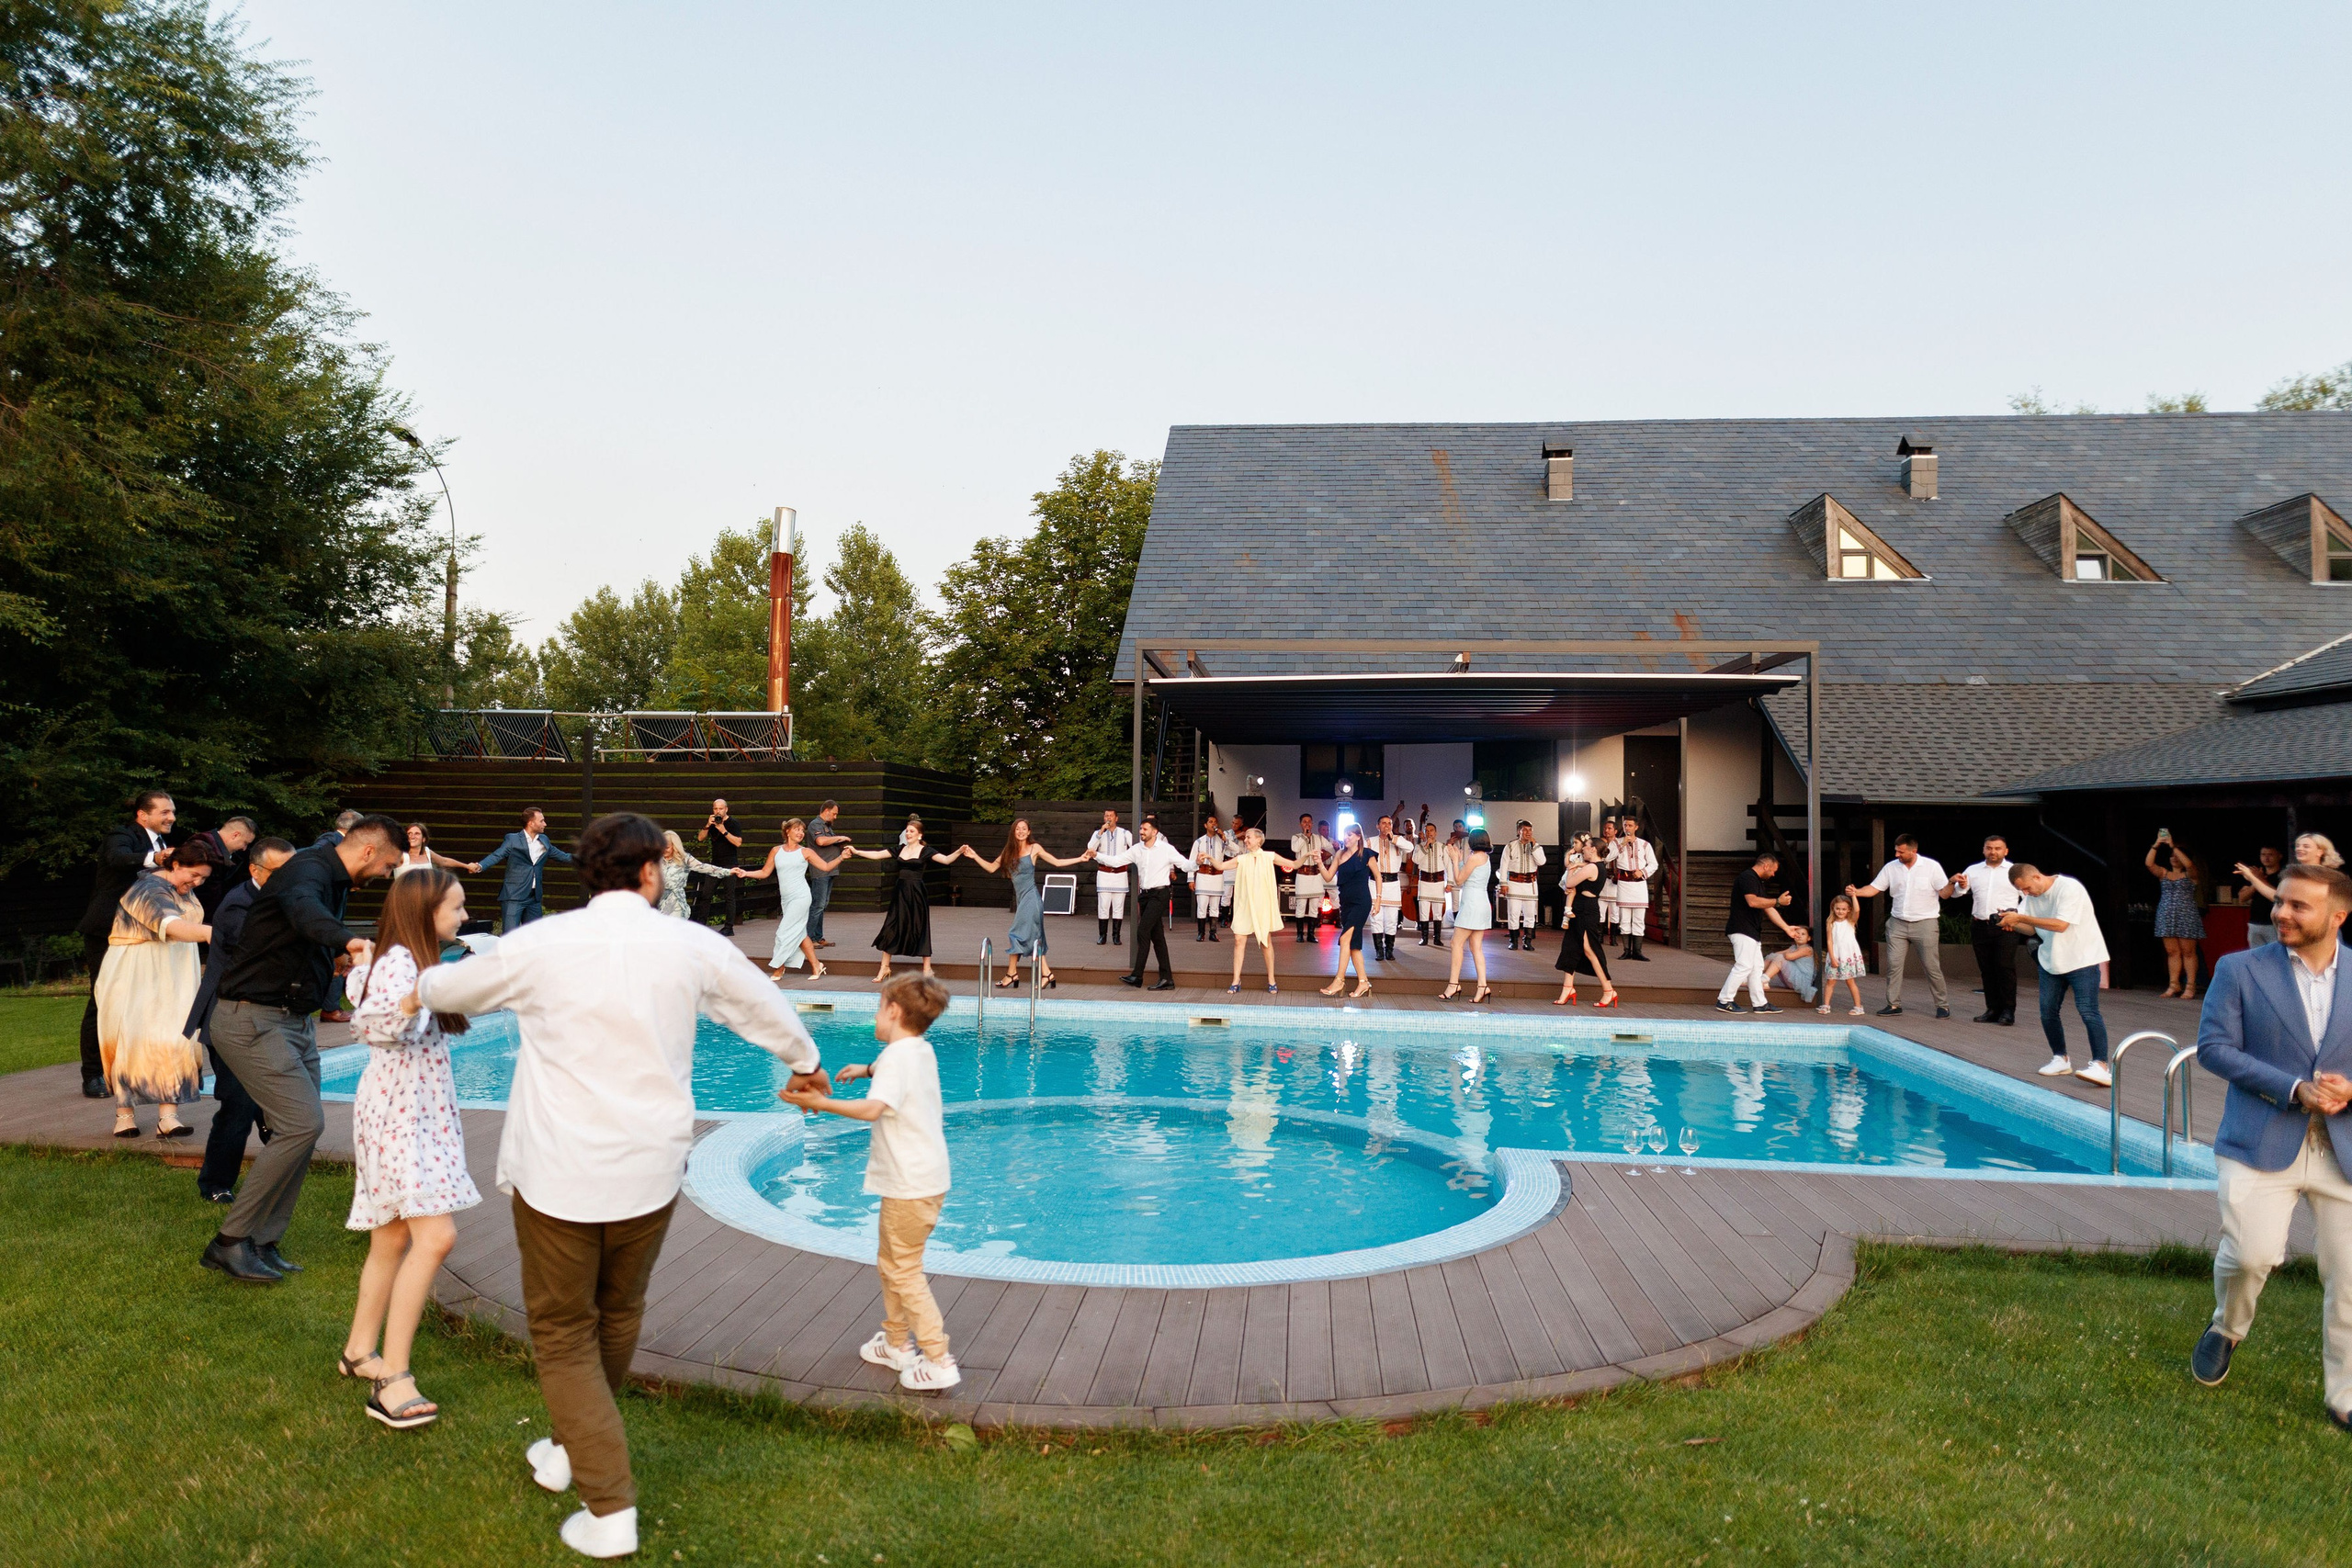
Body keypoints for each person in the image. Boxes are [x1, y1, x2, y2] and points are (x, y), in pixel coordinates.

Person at [412, 812, 828, 1560]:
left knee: (565, 1330)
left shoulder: (540, 943)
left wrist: (408, 975)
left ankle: (609, 1508)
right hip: (650, 1167)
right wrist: (803, 1059)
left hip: (559, 1171)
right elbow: (759, 1005)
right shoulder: (689, 942)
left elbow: (448, 987)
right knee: (617, 1309)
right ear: (648, 872)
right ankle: (575, 1445)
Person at [203, 814, 405, 1284]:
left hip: (292, 1023)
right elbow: (303, 912)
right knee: (302, 1123)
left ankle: (262, 1241)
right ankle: (229, 1243)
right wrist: (350, 941)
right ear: (369, 851)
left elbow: (296, 933)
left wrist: (331, 958)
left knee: (299, 1131)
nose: (385, 876)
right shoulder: (308, 870)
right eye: (388, 865)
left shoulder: (332, 880)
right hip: (251, 1019)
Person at [2188, 862, 2352, 1422]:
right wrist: (2293, 1088)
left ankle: (2344, 1397)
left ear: (2338, 915)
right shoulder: (2239, 969)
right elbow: (2214, 1048)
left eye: (2298, 905)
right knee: (2250, 1256)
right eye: (2280, 901)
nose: (2281, 912)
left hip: (2344, 1149)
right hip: (2260, 1137)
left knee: (2349, 1277)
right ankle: (2227, 1327)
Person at [339, 867, 483, 1430]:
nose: (465, 916)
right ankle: (392, 1379)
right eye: (458, 907)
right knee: (435, 1235)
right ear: (427, 913)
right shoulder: (403, 964)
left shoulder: (416, 962)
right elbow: (373, 1024)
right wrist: (411, 998)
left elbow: (367, 988)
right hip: (401, 1119)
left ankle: (358, 1351)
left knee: (393, 1235)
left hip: (416, 1115)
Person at [780, 974, 959, 1393]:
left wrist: (821, 1103)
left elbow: (874, 1110)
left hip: (908, 1184)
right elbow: (889, 1069)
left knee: (904, 1269)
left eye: (880, 1008)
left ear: (893, 1011)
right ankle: (897, 1343)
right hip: (925, 1180)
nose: (877, 1015)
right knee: (892, 1263)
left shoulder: (898, 1059)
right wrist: (866, 1069)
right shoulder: (917, 1050)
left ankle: (938, 1358)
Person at [188, 837, 296, 1202]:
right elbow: (260, 952)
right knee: (237, 1104)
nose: (289, 879)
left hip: (262, 1019)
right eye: (280, 873)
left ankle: (275, 1157)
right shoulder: (237, 905)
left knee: (271, 1098)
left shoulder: (282, 898)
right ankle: (216, 1185)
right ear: (255, 870)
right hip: (226, 1019)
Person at [96, 837, 220, 1137]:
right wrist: (213, 934)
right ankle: (124, 1115)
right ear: (175, 864)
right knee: (133, 1039)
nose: (197, 882)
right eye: (193, 875)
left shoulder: (183, 888)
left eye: (203, 878)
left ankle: (169, 1116)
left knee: (177, 1038)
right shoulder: (147, 890)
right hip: (137, 973)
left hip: (176, 971)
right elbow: (173, 925)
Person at [74, 789, 181, 1099]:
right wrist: (157, 858)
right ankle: (93, 1075)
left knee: (142, 1000)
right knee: (103, 999)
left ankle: (129, 1069)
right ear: (142, 815)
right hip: (107, 931)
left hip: (142, 932)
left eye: (172, 811)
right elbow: (118, 859)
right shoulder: (122, 836)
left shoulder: (164, 843)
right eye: (164, 812)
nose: (171, 817)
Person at [2001, 862, 2115, 1085]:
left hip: (2082, 959)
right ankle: (2060, 1058)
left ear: (2036, 877)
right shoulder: (2031, 897)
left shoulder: (2069, 888)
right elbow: (2031, 928)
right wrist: (2010, 922)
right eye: (2021, 891)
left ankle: (2101, 1065)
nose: (2025, 893)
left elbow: (2060, 925)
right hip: (2051, 960)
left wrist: (2021, 918)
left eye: (2026, 888)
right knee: (2047, 1012)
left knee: (2088, 1011)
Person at [964, 819, 1088, 989]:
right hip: (1022, 900)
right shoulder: (1009, 851)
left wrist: (1080, 858)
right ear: (1013, 832)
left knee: (1015, 933)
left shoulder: (1034, 848)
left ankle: (1012, 974)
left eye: (1024, 829)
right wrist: (974, 856)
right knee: (1035, 936)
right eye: (1017, 829)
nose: (1021, 831)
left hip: (1032, 899)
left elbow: (1057, 862)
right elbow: (992, 867)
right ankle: (1046, 974)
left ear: (1029, 832)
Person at [1847, 834, 1957, 1019]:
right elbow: (1875, 888)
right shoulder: (1891, 867)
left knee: (1931, 966)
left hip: (1925, 923)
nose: (1897, 854)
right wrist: (1857, 892)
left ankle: (1942, 1005)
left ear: (1914, 851)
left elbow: (1944, 894)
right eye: (1896, 850)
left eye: (1901, 851)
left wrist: (1952, 883)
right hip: (1897, 922)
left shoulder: (1931, 866)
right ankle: (1893, 1004)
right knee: (1893, 965)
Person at [842, 817, 962, 981]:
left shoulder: (926, 851)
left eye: (912, 831)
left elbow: (946, 859)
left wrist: (959, 851)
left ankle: (927, 970)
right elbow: (877, 855)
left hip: (917, 892)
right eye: (907, 831)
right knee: (892, 925)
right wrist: (856, 851)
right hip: (900, 892)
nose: (908, 834)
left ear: (920, 835)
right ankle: (884, 967)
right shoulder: (900, 849)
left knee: (920, 926)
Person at [1091, 817, 1197, 992]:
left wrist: (1197, 863)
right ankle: (1167, 979)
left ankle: (1137, 975)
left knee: (1142, 930)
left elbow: (1185, 865)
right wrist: (1097, 855)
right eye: (1141, 829)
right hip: (1145, 896)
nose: (1141, 832)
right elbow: (1117, 861)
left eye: (1145, 829)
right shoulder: (1137, 849)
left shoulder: (1165, 849)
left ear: (1155, 832)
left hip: (1160, 894)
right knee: (1158, 938)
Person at [739, 818, 852, 980]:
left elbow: (825, 867)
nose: (800, 833)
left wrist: (841, 857)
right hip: (786, 899)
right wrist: (746, 873)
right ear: (787, 831)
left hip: (801, 897)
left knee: (783, 932)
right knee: (799, 933)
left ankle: (779, 967)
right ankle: (816, 965)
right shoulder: (776, 851)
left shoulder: (806, 852)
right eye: (797, 829)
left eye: (802, 830)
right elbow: (764, 872)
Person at [1196, 827, 1303, 994]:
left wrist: (1310, 856)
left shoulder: (1270, 856)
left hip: (1263, 905)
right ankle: (1236, 980)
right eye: (1245, 838)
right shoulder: (1242, 858)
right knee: (1239, 940)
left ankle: (1272, 979)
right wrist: (1209, 857)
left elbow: (1295, 864)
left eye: (1248, 837)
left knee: (1266, 941)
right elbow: (1221, 866)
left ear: (1259, 840)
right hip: (1244, 904)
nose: (1245, 840)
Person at [1952, 835, 2023, 1025]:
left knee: (2005, 967)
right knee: (1987, 969)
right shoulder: (1973, 870)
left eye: (1997, 848)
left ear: (2006, 851)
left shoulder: (2014, 870)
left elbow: (2029, 897)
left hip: (2005, 925)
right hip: (1979, 924)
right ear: (1983, 850)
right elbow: (1958, 893)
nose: (1993, 851)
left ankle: (2008, 1011)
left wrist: (2016, 915)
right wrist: (1961, 886)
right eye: (1989, 848)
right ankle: (1992, 1009)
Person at [1718, 849, 1798, 1014]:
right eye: (1773, 871)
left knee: (1756, 968)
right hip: (1741, 929)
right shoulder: (1747, 877)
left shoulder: (1757, 882)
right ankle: (1724, 1000)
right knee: (1744, 965)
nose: (1774, 875)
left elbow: (1768, 908)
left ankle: (1760, 1003)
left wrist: (1786, 927)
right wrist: (1777, 901)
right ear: (1766, 865)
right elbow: (1753, 902)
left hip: (1752, 931)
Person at [476, 807, 573, 934]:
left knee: (534, 936)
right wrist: (480, 866)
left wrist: (590, 858)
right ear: (531, 823)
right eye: (542, 821)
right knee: (510, 936)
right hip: (514, 896)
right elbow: (497, 855)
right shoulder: (512, 839)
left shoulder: (544, 841)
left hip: (534, 897)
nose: (545, 824)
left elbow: (564, 856)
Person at [1554, 836, 1620, 1009]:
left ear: (1593, 849)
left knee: (1590, 950)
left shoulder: (1592, 867)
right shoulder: (1595, 866)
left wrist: (1570, 867)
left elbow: (1570, 883)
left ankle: (1608, 990)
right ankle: (1567, 988)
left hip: (1586, 911)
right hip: (1581, 909)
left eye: (1586, 847)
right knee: (1571, 947)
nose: (1583, 849)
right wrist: (1578, 865)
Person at [2146, 833, 2207, 999]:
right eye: (2171, 856)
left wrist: (2173, 846)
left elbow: (2190, 864)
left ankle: (2190, 986)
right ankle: (2174, 985)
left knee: (2188, 952)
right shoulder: (2164, 873)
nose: (2173, 858)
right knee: (2172, 951)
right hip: (2167, 915)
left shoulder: (2190, 875)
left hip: (2186, 915)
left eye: (2177, 856)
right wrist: (2157, 844)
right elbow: (2149, 863)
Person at [1442, 829, 1497, 1002]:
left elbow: (1459, 880)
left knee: (1455, 943)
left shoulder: (1474, 858)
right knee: (1476, 947)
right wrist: (1458, 861)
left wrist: (1454, 860)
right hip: (1481, 902)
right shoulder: (1486, 858)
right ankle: (1482, 986)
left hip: (1472, 904)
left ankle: (1453, 984)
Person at [1319, 825, 1375, 998]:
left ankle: (1339, 980)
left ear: (1358, 836)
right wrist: (1319, 863)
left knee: (1344, 939)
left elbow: (1378, 877)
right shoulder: (1339, 854)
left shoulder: (1366, 854)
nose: (1346, 837)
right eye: (1344, 834)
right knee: (1354, 946)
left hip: (1361, 902)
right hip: (1346, 903)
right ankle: (1364, 982)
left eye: (1349, 834)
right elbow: (1328, 877)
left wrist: (1378, 899)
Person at [691, 798, 745, 934]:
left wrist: (723, 830)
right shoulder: (712, 823)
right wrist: (708, 825)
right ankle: (702, 924)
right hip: (715, 865)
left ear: (726, 809)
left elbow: (738, 843)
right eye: (715, 809)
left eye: (720, 809)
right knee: (706, 894)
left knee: (729, 896)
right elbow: (700, 838)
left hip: (730, 864)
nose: (718, 811)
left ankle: (729, 927)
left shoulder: (733, 823)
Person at [1610, 816, 1660, 960]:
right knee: (1624, 919)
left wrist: (1643, 872)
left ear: (1636, 827)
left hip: (1639, 884)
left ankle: (1637, 951)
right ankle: (1626, 950)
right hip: (1624, 884)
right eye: (1625, 825)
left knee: (1638, 919)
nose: (1627, 828)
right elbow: (1607, 857)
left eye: (1630, 825)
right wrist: (1622, 845)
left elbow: (1653, 864)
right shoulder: (1616, 842)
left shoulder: (1645, 845)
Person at [190, 815, 258, 923]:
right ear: (235, 835)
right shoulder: (201, 844)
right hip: (196, 916)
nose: (244, 848)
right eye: (245, 843)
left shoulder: (231, 855)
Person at [656, 829, 731, 920]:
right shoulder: (656, 860)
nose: (664, 850)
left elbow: (704, 867)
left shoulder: (685, 859)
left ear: (674, 846)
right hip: (659, 901)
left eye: (667, 847)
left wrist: (728, 871)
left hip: (676, 902)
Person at [1367, 815, 1412, 961]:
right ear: (1377, 826)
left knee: (1392, 919)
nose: (1386, 826)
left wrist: (1393, 838)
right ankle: (1379, 950)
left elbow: (1410, 847)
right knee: (1376, 918)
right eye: (1383, 823)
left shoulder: (1398, 840)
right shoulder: (1370, 842)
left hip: (1393, 884)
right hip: (1374, 883)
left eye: (1389, 823)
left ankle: (1389, 950)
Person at [807, 800, 852, 947]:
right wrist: (840, 837)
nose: (835, 817)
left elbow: (828, 841)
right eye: (834, 813)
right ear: (826, 810)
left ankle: (818, 937)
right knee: (817, 904)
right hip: (820, 870)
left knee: (823, 904)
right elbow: (820, 841)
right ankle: (809, 938)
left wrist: (841, 845)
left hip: (830, 870)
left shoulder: (827, 826)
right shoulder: (815, 824)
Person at [1088, 808, 1134, 947]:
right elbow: (1090, 848)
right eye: (1106, 816)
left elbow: (1135, 848)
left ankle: (1116, 936)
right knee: (1103, 906)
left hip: (1120, 874)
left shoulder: (1125, 833)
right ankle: (1102, 935)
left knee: (1118, 906)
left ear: (1116, 818)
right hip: (1104, 873)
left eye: (1111, 816)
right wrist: (1101, 832)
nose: (1108, 818)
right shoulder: (1098, 833)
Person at [1499, 821, 1547, 951]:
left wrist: (1534, 846)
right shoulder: (1510, 846)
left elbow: (1542, 862)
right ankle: (1513, 941)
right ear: (1518, 831)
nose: (1528, 832)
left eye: (1530, 830)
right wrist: (1503, 884)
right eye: (1524, 830)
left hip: (1530, 885)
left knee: (1530, 914)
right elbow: (1503, 866)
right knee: (1514, 913)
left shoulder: (1537, 847)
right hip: (1514, 884)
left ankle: (1528, 941)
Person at [1817, 893, 1868, 1016]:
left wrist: (1854, 895)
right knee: (1830, 981)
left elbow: (1857, 909)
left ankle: (1858, 1006)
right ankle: (1826, 1005)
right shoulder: (1831, 923)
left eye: (1844, 909)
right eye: (1838, 908)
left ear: (1848, 910)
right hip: (1835, 955)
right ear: (1833, 908)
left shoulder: (1850, 921)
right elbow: (1829, 940)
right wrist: (1832, 957)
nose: (1840, 911)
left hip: (1847, 955)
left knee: (1850, 981)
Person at [2236, 845, 2290, 950]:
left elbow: (2278, 897)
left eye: (2270, 855)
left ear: (2279, 856)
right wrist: (2255, 881)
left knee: (2278, 954)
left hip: (2274, 924)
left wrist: (2259, 880)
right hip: (2254, 923)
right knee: (2257, 957)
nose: (2266, 858)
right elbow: (2242, 898)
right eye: (2263, 854)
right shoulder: (2257, 874)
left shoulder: (2284, 876)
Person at [1289, 813, 1331, 942]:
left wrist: (1329, 853)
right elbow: (1295, 849)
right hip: (1302, 874)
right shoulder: (1296, 837)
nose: (1307, 824)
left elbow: (1330, 847)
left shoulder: (1318, 838)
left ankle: (1311, 934)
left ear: (1312, 823)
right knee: (1301, 905)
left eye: (1309, 822)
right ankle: (1300, 934)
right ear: (1300, 824)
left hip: (1316, 874)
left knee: (1314, 906)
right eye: (1304, 822)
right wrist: (1304, 837)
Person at [1412, 819, 1454, 947]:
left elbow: (1448, 866)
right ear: (1424, 833)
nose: (1429, 833)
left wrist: (1450, 883)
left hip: (1438, 882)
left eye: (1431, 831)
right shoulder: (1419, 847)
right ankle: (1424, 938)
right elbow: (1416, 860)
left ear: (1436, 833)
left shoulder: (1443, 847)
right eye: (1427, 831)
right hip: (1424, 882)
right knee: (1423, 911)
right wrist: (1425, 847)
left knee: (1437, 912)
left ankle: (1437, 938)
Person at [1189, 815, 1229, 942]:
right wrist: (1191, 878)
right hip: (1203, 876)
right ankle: (1201, 933)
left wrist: (1224, 838)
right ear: (1206, 825)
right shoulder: (1199, 842)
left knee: (1215, 907)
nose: (1213, 824)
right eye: (1210, 822)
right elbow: (1192, 860)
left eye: (1215, 822)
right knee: (1202, 906)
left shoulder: (1222, 841)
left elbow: (1236, 849)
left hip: (1217, 877)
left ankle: (1213, 932)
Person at [1762, 928, 1816, 1007]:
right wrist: (1774, 956)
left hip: (1801, 981)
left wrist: (1782, 954)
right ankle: (1754, 976)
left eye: (1803, 934)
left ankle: (1763, 980)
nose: (1800, 936)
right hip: (1792, 979)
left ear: (1809, 938)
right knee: (1772, 957)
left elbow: (1788, 957)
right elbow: (1776, 954)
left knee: (1780, 958)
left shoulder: (1807, 949)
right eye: (1797, 933)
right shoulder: (1793, 948)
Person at [396, 821, 469, 877]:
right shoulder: (400, 855)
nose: (412, 836)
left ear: (423, 839)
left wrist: (467, 866)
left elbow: (444, 861)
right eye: (409, 833)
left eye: (417, 834)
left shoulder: (427, 852)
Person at [1595, 816, 1623, 948]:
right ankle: (1599, 936)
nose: (1607, 831)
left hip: (1615, 879)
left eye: (1610, 828)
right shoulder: (1600, 844)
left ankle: (1613, 937)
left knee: (1615, 912)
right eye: (1605, 828)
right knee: (1600, 910)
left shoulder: (1620, 843)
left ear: (1615, 831)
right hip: (1603, 879)